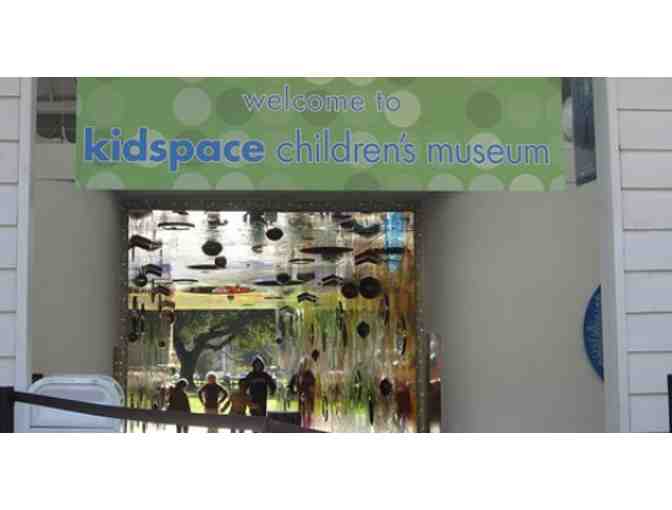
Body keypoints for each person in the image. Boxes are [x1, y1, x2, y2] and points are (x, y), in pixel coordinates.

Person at [297, 359, 316, 429]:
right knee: (302, 410)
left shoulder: (309, 374)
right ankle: (304, 423)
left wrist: (311, 390)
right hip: (302, 394)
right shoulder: (299, 374)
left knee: (308, 409)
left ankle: (308, 424)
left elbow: (313, 384)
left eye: (305, 365)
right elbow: (298, 384)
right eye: (302, 365)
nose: (303, 366)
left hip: (308, 394)